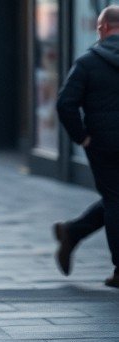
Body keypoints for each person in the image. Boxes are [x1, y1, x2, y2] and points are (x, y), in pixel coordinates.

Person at [54, 6, 119, 288]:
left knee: (115, 198)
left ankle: (73, 232)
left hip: (102, 144)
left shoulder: (87, 63)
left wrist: (82, 137)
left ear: (103, 28)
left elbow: (65, 103)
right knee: (116, 199)